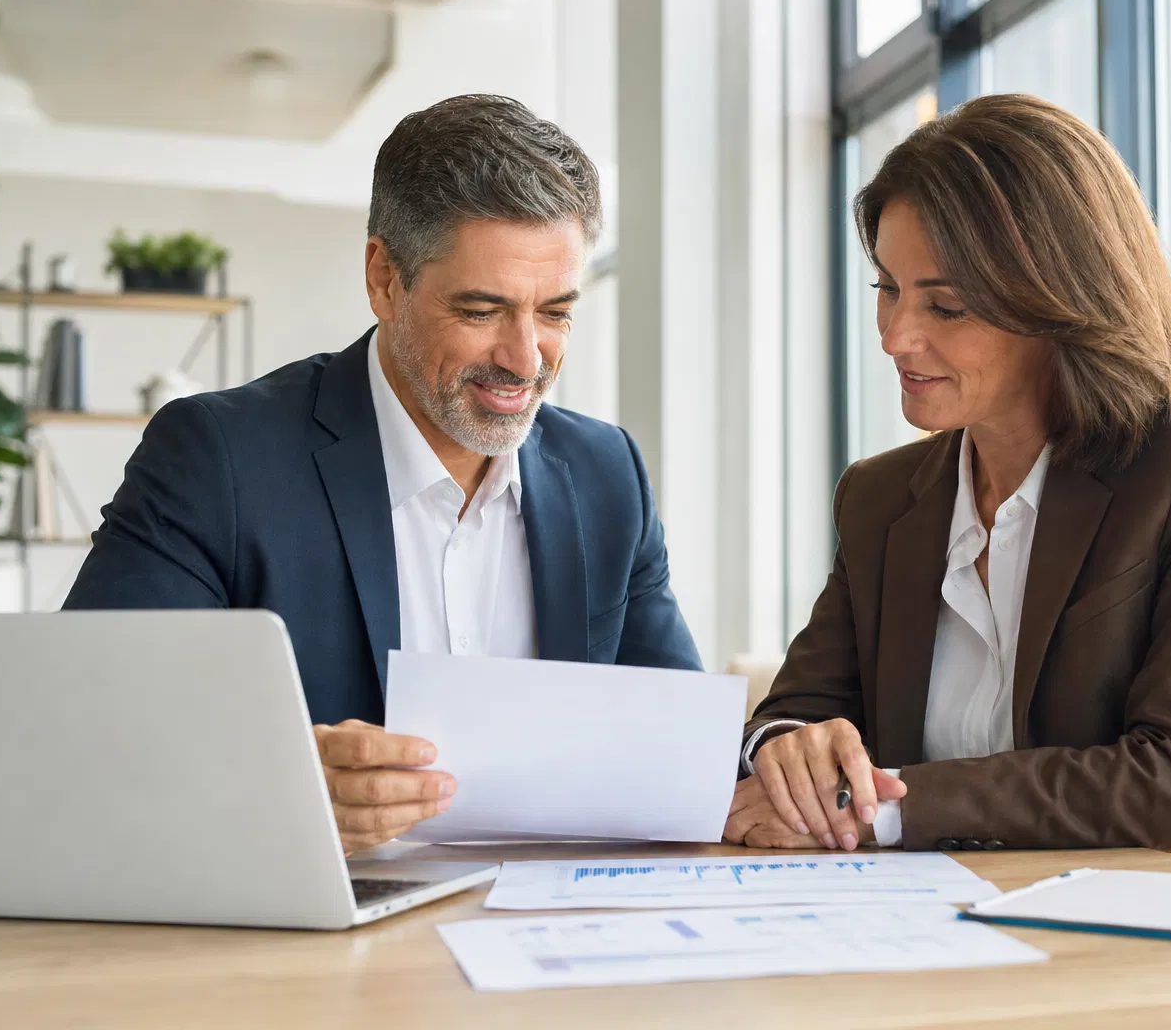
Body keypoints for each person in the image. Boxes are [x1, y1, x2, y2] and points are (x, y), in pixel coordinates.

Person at [64, 94, 702, 854]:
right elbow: (88, 729)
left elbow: (678, 746)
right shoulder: (217, 458)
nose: (525, 359)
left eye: (556, 312)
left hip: (549, 934)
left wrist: (769, 756)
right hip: (317, 945)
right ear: (384, 278)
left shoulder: (606, 474)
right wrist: (277, 792)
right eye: (481, 310)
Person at [724, 93, 1171, 878]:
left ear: (1060, 305)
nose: (897, 336)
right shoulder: (881, 498)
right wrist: (787, 752)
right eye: (886, 289)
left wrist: (885, 812)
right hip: (947, 925)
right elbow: (799, 708)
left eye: (947, 304)